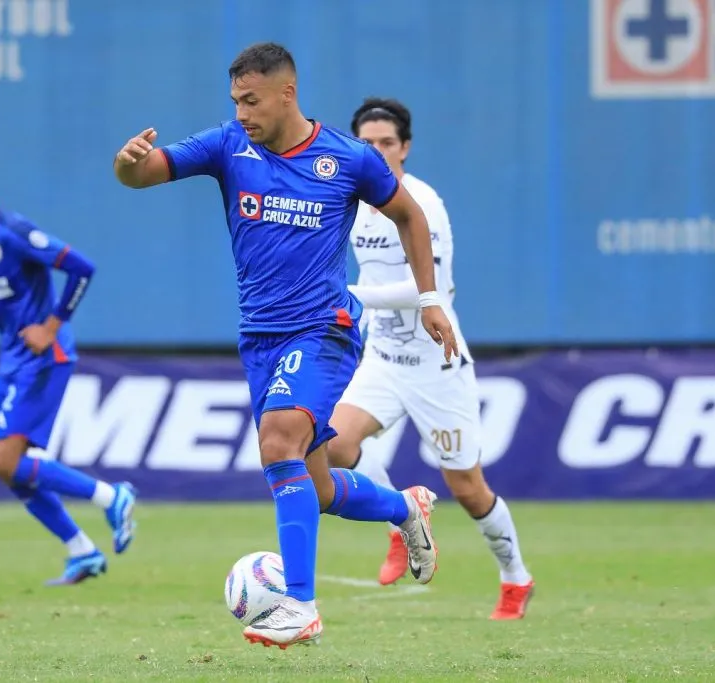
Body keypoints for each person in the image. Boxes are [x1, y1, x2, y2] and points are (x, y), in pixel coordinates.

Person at [113, 43, 459, 648]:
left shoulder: (348, 159)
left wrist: (430, 301)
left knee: (277, 439)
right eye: (235, 102)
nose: (242, 112)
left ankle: (300, 605)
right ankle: (407, 509)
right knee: (318, 488)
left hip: (325, 329)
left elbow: (410, 217)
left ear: (286, 94)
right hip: (261, 339)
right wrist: (127, 163)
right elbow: (143, 176)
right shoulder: (228, 146)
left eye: (251, 101)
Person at [327, 98, 534, 620]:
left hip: (436, 364)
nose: (377, 152)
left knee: (467, 488)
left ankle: (515, 577)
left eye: (387, 143)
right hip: (383, 356)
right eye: (367, 143)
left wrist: (352, 295)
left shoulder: (422, 202)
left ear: (405, 148)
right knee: (331, 441)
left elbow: (430, 288)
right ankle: (403, 517)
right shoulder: (349, 199)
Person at [0, 155, 137, 586]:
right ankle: (82, 552)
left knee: (2, 460)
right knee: (10, 469)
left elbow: (82, 268)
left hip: (44, 358)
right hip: (13, 363)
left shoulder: (13, 232)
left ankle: (112, 496)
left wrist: (52, 325)